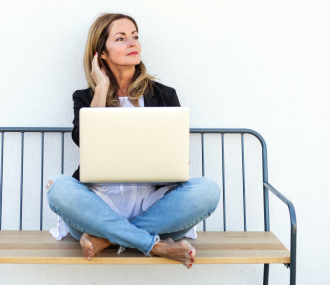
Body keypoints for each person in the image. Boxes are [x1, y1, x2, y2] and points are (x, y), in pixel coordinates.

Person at [46, 13, 221, 269]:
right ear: (101, 53)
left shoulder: (164, 95)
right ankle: (155, 245)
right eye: (121, 38)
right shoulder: (85, 97)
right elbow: (85, 139)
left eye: (135, 36)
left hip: (154, 204)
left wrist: (175, 160)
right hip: (99, 205)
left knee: (208, 190)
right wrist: (102, 86)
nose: (132, 43)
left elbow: (177, 153)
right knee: (58, 188)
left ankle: (107, 240)